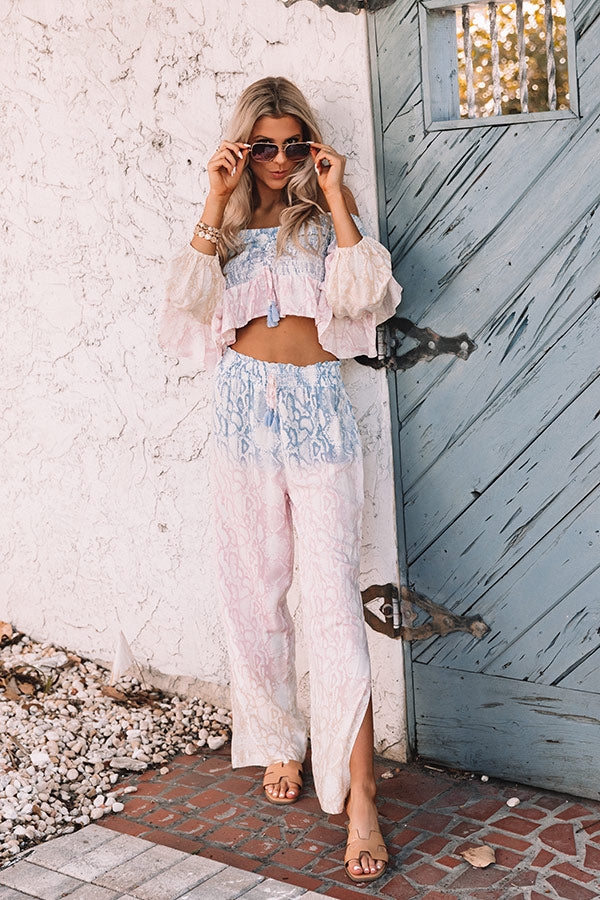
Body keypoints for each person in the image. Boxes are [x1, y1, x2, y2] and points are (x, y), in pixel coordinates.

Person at [158, 75, 402, 884]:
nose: (278, 158)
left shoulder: (324, 215)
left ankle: (360, 795)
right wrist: (213, 195)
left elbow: (369, 297)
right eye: (263, 145)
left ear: (310, 146)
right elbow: (185, 309)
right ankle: (276, 741)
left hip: (316, 413)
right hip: (241, 417)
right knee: (252, 592)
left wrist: (332, 193)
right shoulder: (225, 227)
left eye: (294, 144)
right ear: (241, 147)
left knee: (332, 605)